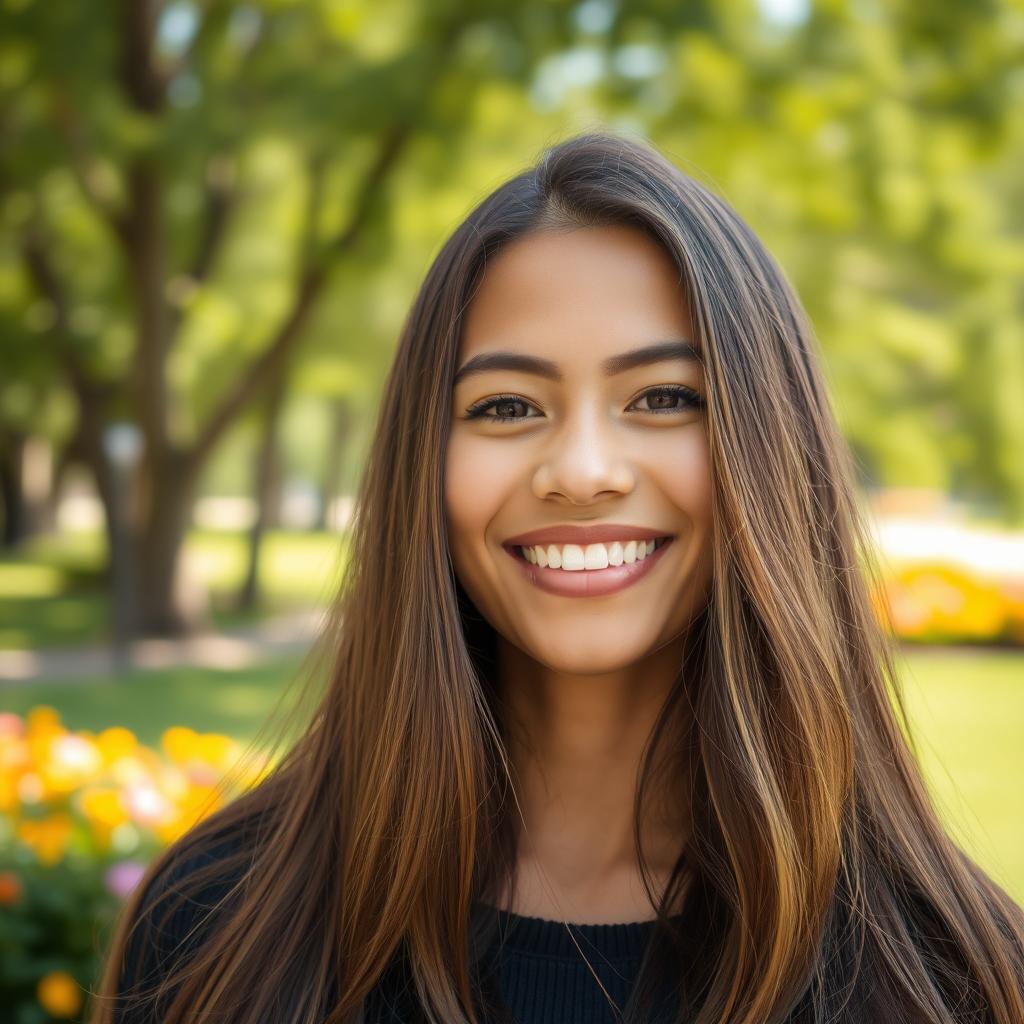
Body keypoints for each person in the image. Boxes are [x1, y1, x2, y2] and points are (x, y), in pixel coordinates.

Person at [87, 132, 1024, 1024]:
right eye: (505, 406)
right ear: (424, 460)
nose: (580, 470)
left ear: (772, 450)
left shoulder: (952, 975)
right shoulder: (222, 925)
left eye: (663, 398)